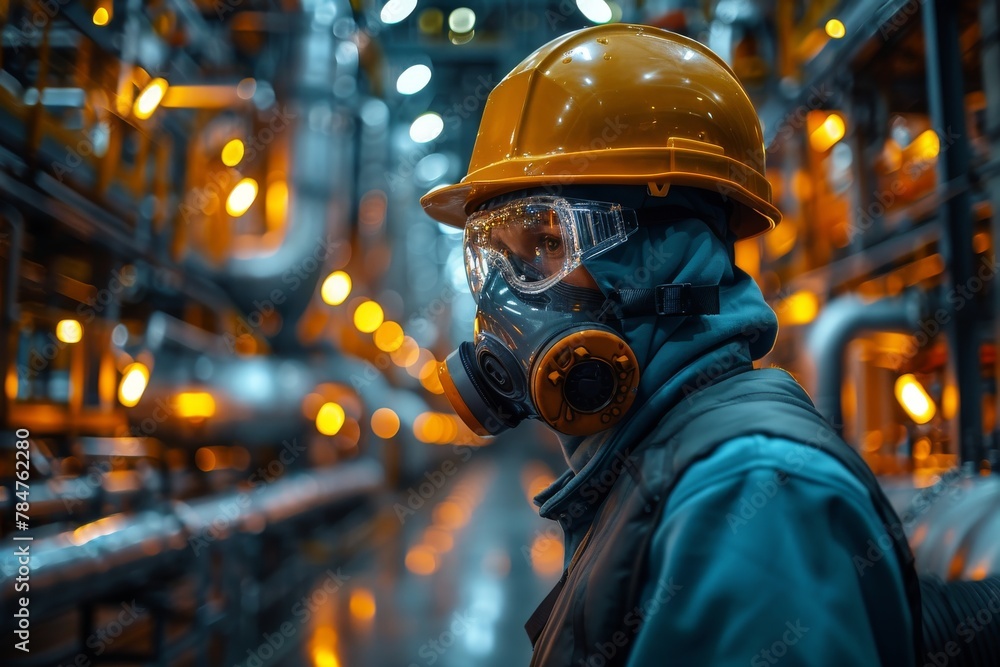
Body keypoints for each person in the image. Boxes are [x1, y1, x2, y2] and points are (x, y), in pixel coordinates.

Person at [420, 24, 920, 666]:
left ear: (664, 255)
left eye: (546, 244)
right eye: (498, 257)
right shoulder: (651, 459)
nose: (505, 296)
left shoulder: (750, 495)